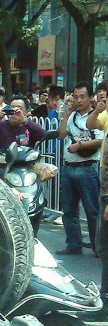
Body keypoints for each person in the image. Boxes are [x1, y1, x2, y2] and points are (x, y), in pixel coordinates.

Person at [54, 83, 104, 256]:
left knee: (92, 210)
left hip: (87, 167)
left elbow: (99, 141)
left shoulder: (96, 117)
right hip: (69, 167)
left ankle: (98, 246)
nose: (78, 100)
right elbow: (61, 135)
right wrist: (66, 115)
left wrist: (80, 145)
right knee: (69, 209)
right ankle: (73, 244)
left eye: (82, 96)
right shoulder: (73, 116)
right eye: (75, 97)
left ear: (91, 98)